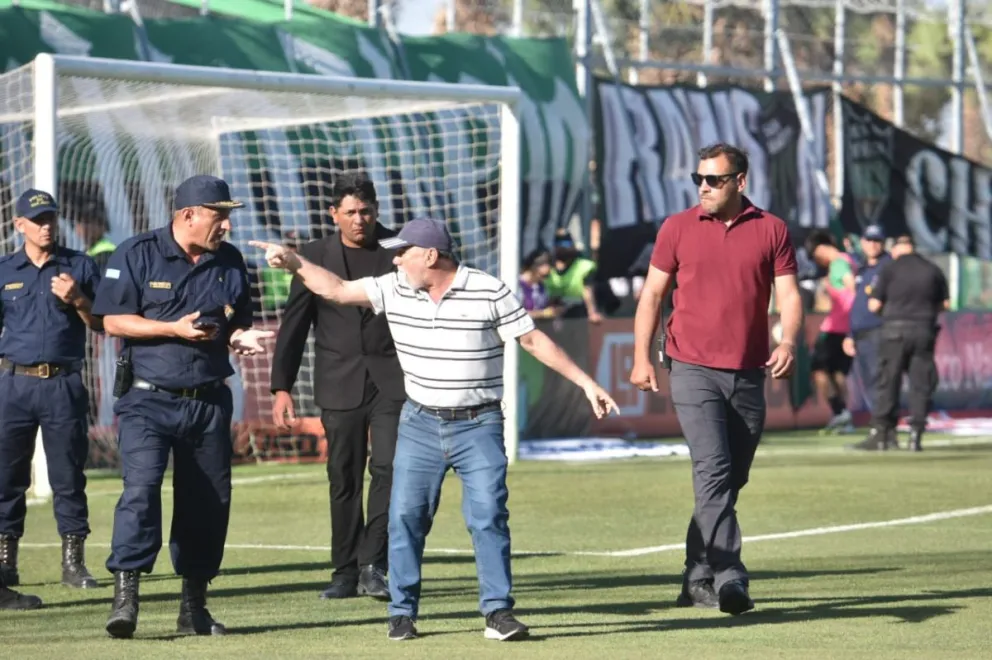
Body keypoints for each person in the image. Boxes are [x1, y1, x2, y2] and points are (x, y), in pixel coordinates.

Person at [250, 217, 618, 642]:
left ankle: (497, 613)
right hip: (419, 423)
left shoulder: (488, 289)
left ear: (430, 255)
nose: (396, 258)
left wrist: (586, 383)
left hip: (478, 424)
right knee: (405, 519)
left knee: (488, 516)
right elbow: (334, 288)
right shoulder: (393, 286)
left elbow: (532, 340)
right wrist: (294, 262)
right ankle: (402, 613)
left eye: (403, 251)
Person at [91, 175, 274, 639]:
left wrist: (240, 336)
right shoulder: (135, 252)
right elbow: (112, 320)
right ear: (189, 214)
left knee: (208, 504)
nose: (227, 226)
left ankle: (194, 607)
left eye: (229, 216)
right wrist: (173, 329)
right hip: (147, 400)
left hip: (209, 401)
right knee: (140, 491)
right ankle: (125, 598)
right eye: (220, 215)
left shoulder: (229, 261)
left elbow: (234, 321)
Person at [629, 143, 803, 615]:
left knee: (729, 480)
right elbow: (652, 296)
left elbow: (788, 295)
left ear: (740, 182)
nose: (703, 187)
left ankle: (695, 573)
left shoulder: (772, 229)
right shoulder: (677, 228)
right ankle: (730, 577)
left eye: (714, 180)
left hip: (748, 372)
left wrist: (786, 342)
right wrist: (642, 358)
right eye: (698, 179)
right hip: (691, 367)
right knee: (713, 470)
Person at [270, 172, 404, 601]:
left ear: (377, 210)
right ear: (334, 214)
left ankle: (373, 565)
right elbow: (294, 326)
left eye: (366, 211)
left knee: (389, 469)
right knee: (342, 477)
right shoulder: (311, 256)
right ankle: (344, 571)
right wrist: (281, 388)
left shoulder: (400, 252)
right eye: (350, 213)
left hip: (394, 383)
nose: (359, 220)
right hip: (338, 383)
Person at [0, 188, 102, 591]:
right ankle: (6, 565)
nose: (46, 227)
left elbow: (101, 323)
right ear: (18, 224)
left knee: (68, 476)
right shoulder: (5, 270)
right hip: (13, 385)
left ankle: (73, 564)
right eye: (37, 220)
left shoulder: (80, 265)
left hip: (63, 384)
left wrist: (77, 298)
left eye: (51, 219)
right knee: (7, 478)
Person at [858, 234, 949, 452]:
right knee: (920, 383)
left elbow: (873, 304)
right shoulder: (932, 269)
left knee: (888, 381)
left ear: (897, 248)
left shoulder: (889, 269)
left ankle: (883, 433)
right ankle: (916, 435)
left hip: (893, 331)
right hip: (924, 330)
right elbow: (944, 304)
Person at [804, 229, 857, 434]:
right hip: (846, 327)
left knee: (818, 369)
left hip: (836, 328)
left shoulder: (839, 264)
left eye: (817, 256)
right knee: (838, 373)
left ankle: (839, 410)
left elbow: (850, 287)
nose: (818, 261)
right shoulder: (847, 260)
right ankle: (845, 416)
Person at [842, 226, 891, 421]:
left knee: (879, 378)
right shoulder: (862, 268)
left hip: (879, 329)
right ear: (862, 242)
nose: (872, 245)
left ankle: (883, 424)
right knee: (869, 380)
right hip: (861, 333)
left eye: (876, 241)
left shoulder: (888, 266)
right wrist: (850, 334)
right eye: (869, 240)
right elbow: (858, 304)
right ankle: (879, 422)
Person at [518, 249, 558, 320]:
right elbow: (516, 314)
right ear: (533, 267)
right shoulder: (517, 285)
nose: (545, 279)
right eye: (542, 275)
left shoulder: (540, 286)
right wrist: (542, 314)